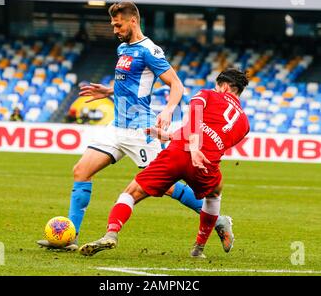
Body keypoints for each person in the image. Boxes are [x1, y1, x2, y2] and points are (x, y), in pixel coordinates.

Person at [37, 2, 233, 252]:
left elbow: (176, 85)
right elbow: (131, 83)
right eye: (112, 24)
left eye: (118, 24)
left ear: (133, 21)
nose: (114, 29)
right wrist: (109, 90)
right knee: (81, 170)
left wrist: (168, 109)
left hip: (141, 130)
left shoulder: (150, 50)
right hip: (116, 127)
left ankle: (218, 219)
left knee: (167, 187)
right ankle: (69, 237)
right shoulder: (122, 48)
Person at [79, 68, 250, 258]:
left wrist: (192, 146)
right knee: (214, 194)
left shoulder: (207, 94)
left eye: (217, 86)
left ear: (224, 86)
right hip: (204, 164)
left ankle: (111, 233)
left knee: (132, 192)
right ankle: (198, 248)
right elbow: (213, 138)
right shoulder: (244, 124)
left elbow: (195, 115)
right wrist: (169, 136)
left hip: (178, 153)